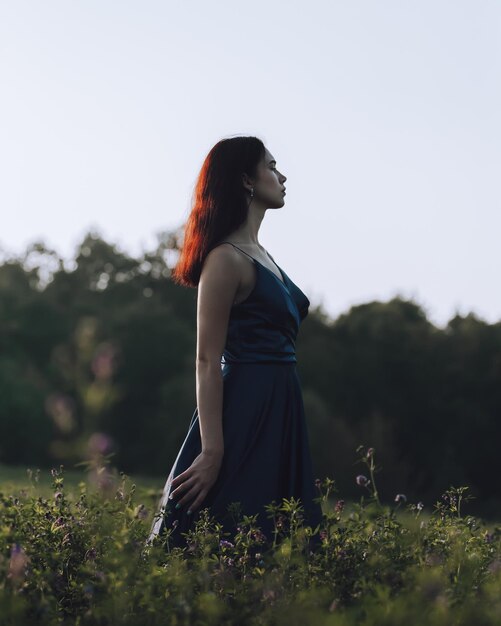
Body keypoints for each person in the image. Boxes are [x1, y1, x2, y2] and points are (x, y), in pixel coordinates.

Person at [146, 136, 323, 552]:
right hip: (244, 411)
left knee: (284, 541)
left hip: (282, 407)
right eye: (272, 166)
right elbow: (207, 359)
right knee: (228, 537)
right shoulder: (224, 258)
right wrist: (212, 451)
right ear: (246, 179)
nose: (282, 177)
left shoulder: (261, 254)